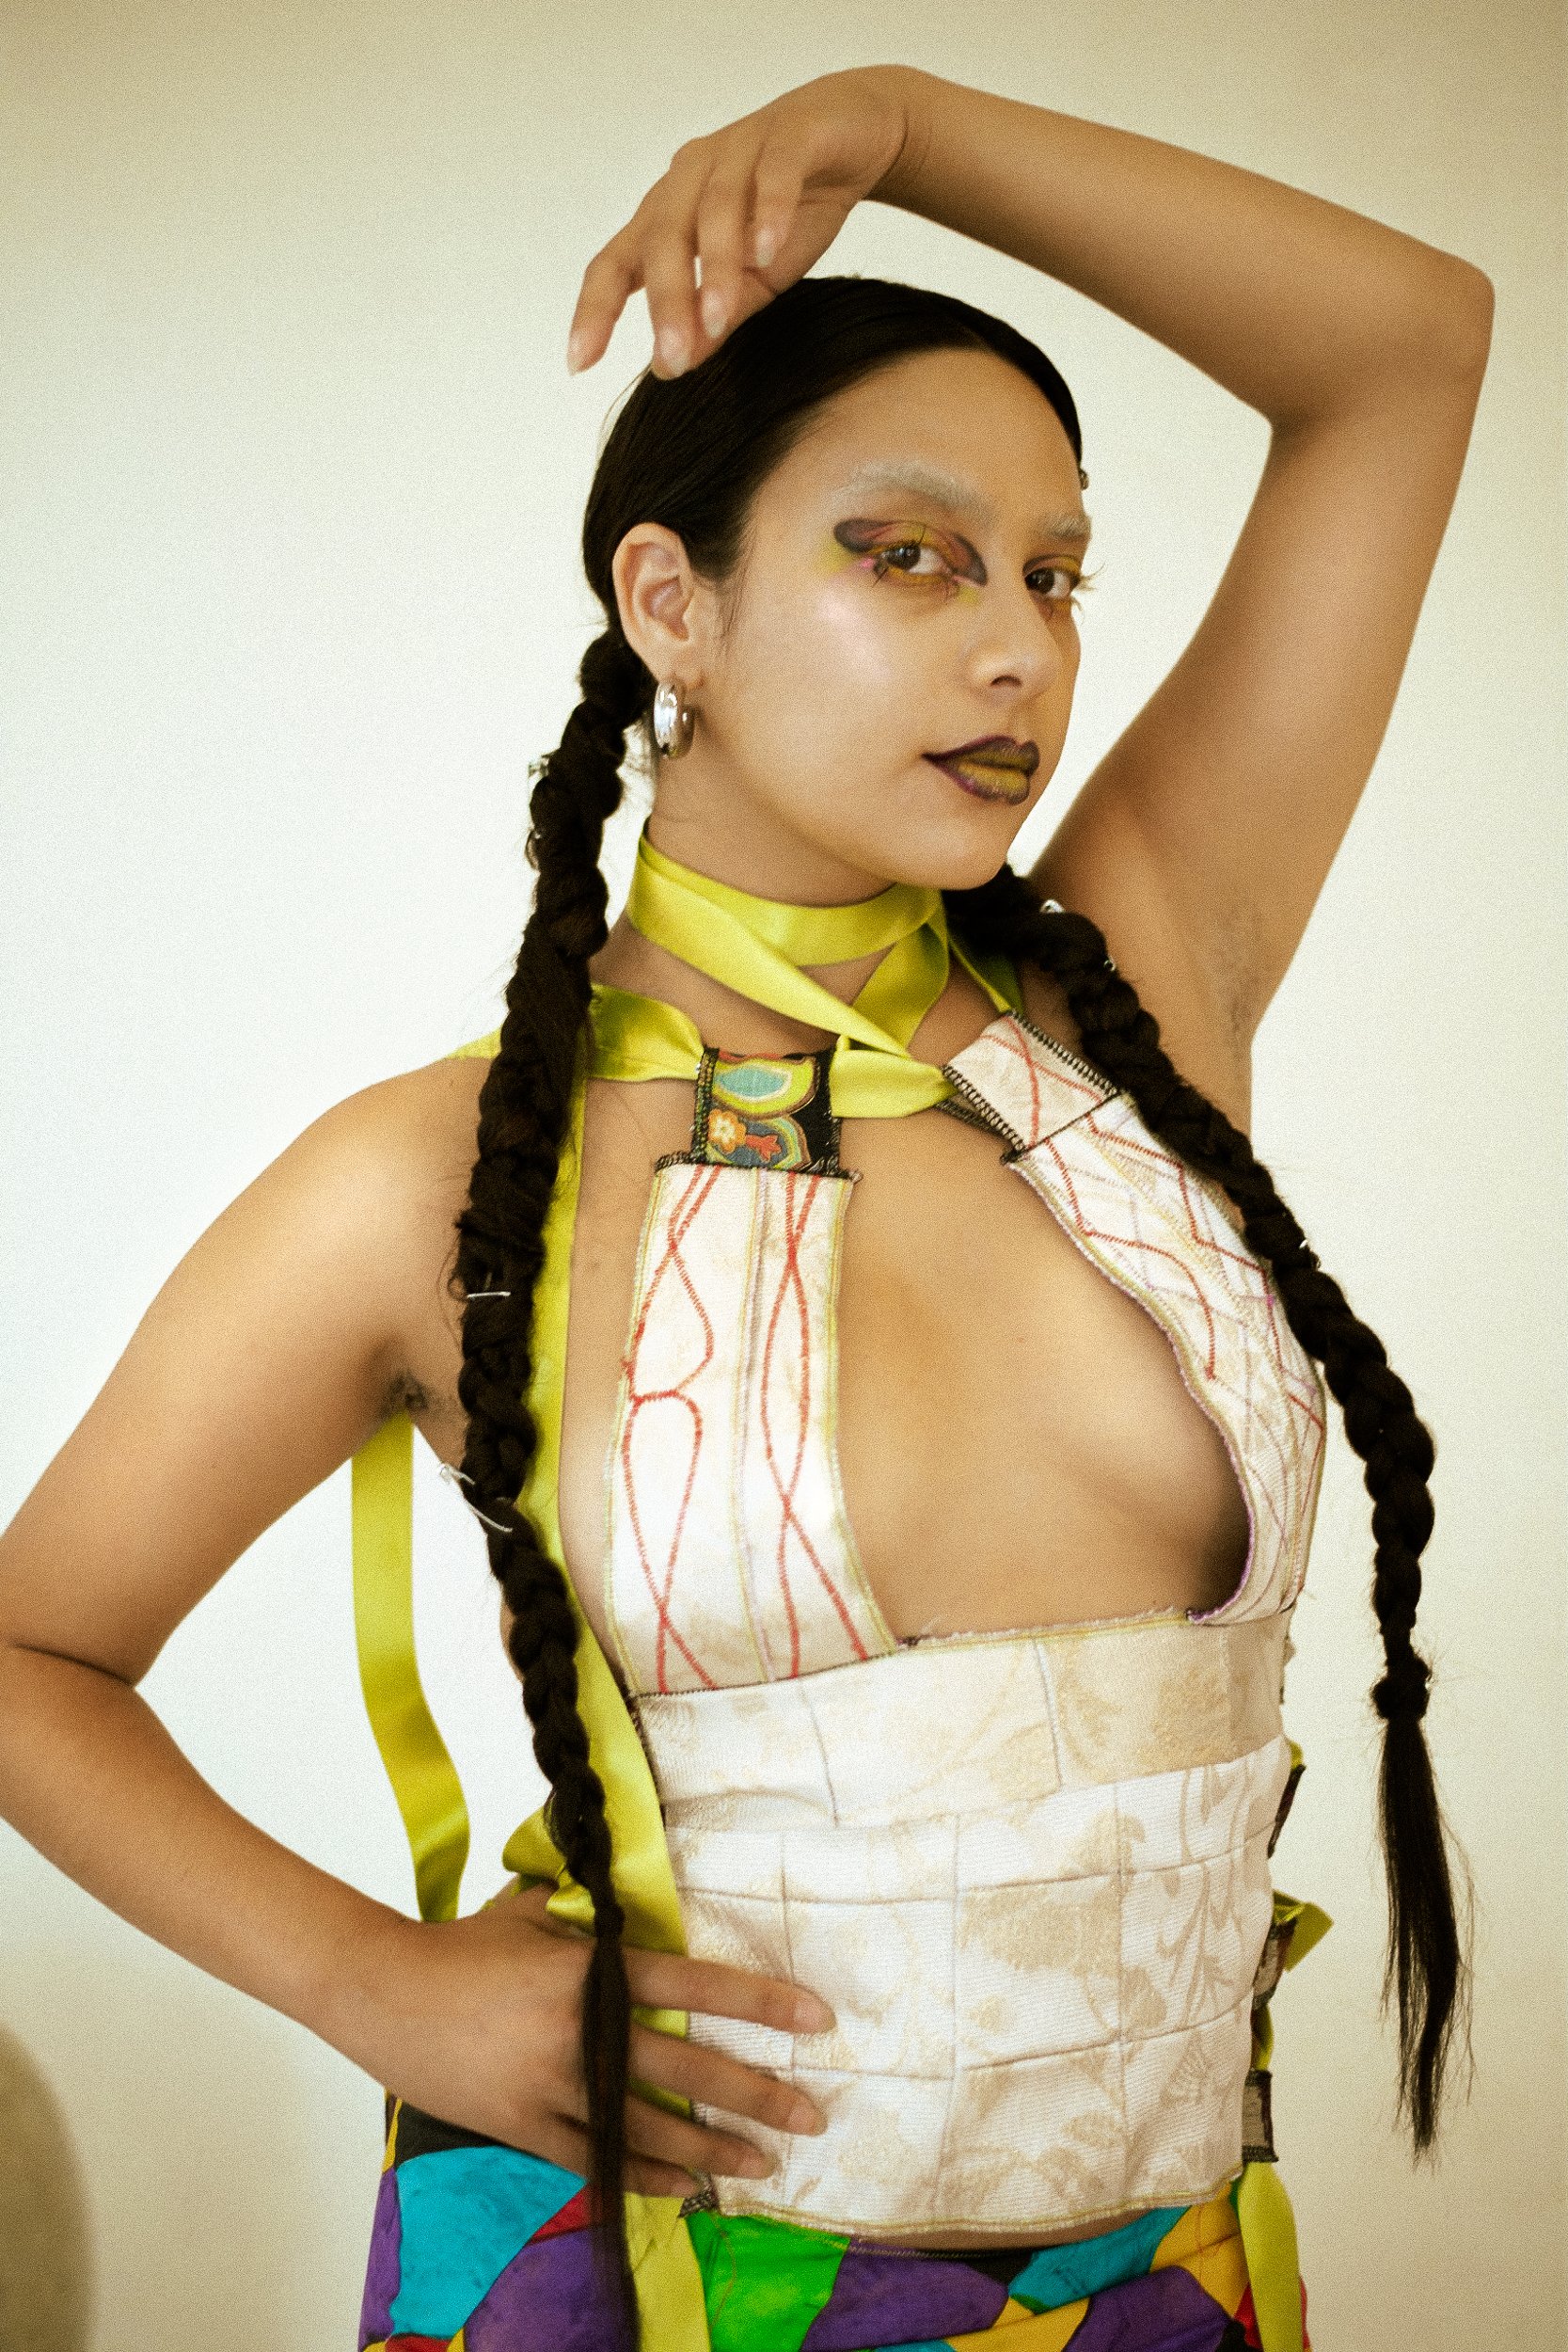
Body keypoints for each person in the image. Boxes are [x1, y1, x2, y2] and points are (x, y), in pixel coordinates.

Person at [0, 60, 1491, 2352]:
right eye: (907, 553)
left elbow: (1406, 343)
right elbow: (28, 1655)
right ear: (668, 603)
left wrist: (910, 125)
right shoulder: (421, 1177)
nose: (1018, 648)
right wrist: (377, 1988)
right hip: (649, 2282)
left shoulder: (1133, 1008)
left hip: (1164, 2279)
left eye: (1054, 572)